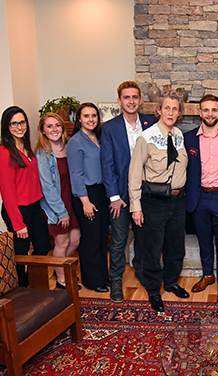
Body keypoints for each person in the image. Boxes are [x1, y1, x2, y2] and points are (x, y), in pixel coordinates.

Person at [129, 90, 189, 312]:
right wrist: (136, 207)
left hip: (178, 200)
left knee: (175, 245)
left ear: (179, 112)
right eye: (167, 108)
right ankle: (154, 289)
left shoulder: (180, 136)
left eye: (175, 109)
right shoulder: (146, 137)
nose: (171, 112)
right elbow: (134, 174)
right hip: (153, 201)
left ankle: (171, 282)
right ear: (158, 110)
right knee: (152, 248)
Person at [101, 81, 157, 302]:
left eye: (135, 97)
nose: (131, 101)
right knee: (119, 239)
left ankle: (141, 270)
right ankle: (116, 279)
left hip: (147, 192)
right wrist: (114, 197)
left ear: (141, 100)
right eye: (127, 97)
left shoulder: (151, 123)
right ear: (119, 101)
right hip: (121, 196)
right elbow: (107, 164)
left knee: (144, 236)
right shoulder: (110, 127)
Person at [184, 95, 218, 305]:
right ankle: (208, 275)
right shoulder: (188, 138)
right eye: (206, 110)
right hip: (198, 197)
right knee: (204, 241)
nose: (210, 114)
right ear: (200, 112)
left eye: (214, 110)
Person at [0, 106, 51, 286]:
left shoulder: (26, 147)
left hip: (34, 206)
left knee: (43, 246)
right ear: (6, 127)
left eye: (22, 122)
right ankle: (21, 289)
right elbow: (7, 191)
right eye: (13, 124)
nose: (19, 127)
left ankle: (31, 283)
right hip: (17, 210)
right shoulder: (5, 152)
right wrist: (18, 224)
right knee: (20, 254)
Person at [67, 102, 110, 293]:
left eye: (94, 116)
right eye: (86, 116)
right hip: (86, 195)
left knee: (101, 237)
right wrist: (85, 202)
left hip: (101, 192)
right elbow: (75, 174)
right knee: (91, 239)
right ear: (79, 119)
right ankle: (92, 281)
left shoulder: (97, 138)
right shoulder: (75, 142)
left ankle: (103, 276)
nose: (91, 119)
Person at [35, 112, 81, 289]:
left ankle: (58, 267)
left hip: (72, 200)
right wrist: (61, 212)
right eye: (49, 126)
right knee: (62, 242)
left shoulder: (70, 147)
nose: (54, 129)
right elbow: (47, 188)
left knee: (75, 240)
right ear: (43, 131)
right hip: (56, 205)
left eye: (57, 125)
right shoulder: (43, 154)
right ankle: (62, 280)